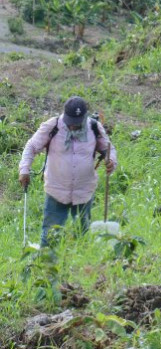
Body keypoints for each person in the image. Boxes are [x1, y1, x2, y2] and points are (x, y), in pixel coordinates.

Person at [18, 96, 117, 246]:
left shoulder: (94, 127)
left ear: (84, 117)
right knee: (50, 235)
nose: (73, 127)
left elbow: (108, 148)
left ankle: (79, 266)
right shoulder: (53, 125)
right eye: (71, 123)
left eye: (77, 124)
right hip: (56, 191)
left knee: (82, 234)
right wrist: (24, 169)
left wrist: (111, 160)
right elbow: (31, 146)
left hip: (84, 192)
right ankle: (47, 266)